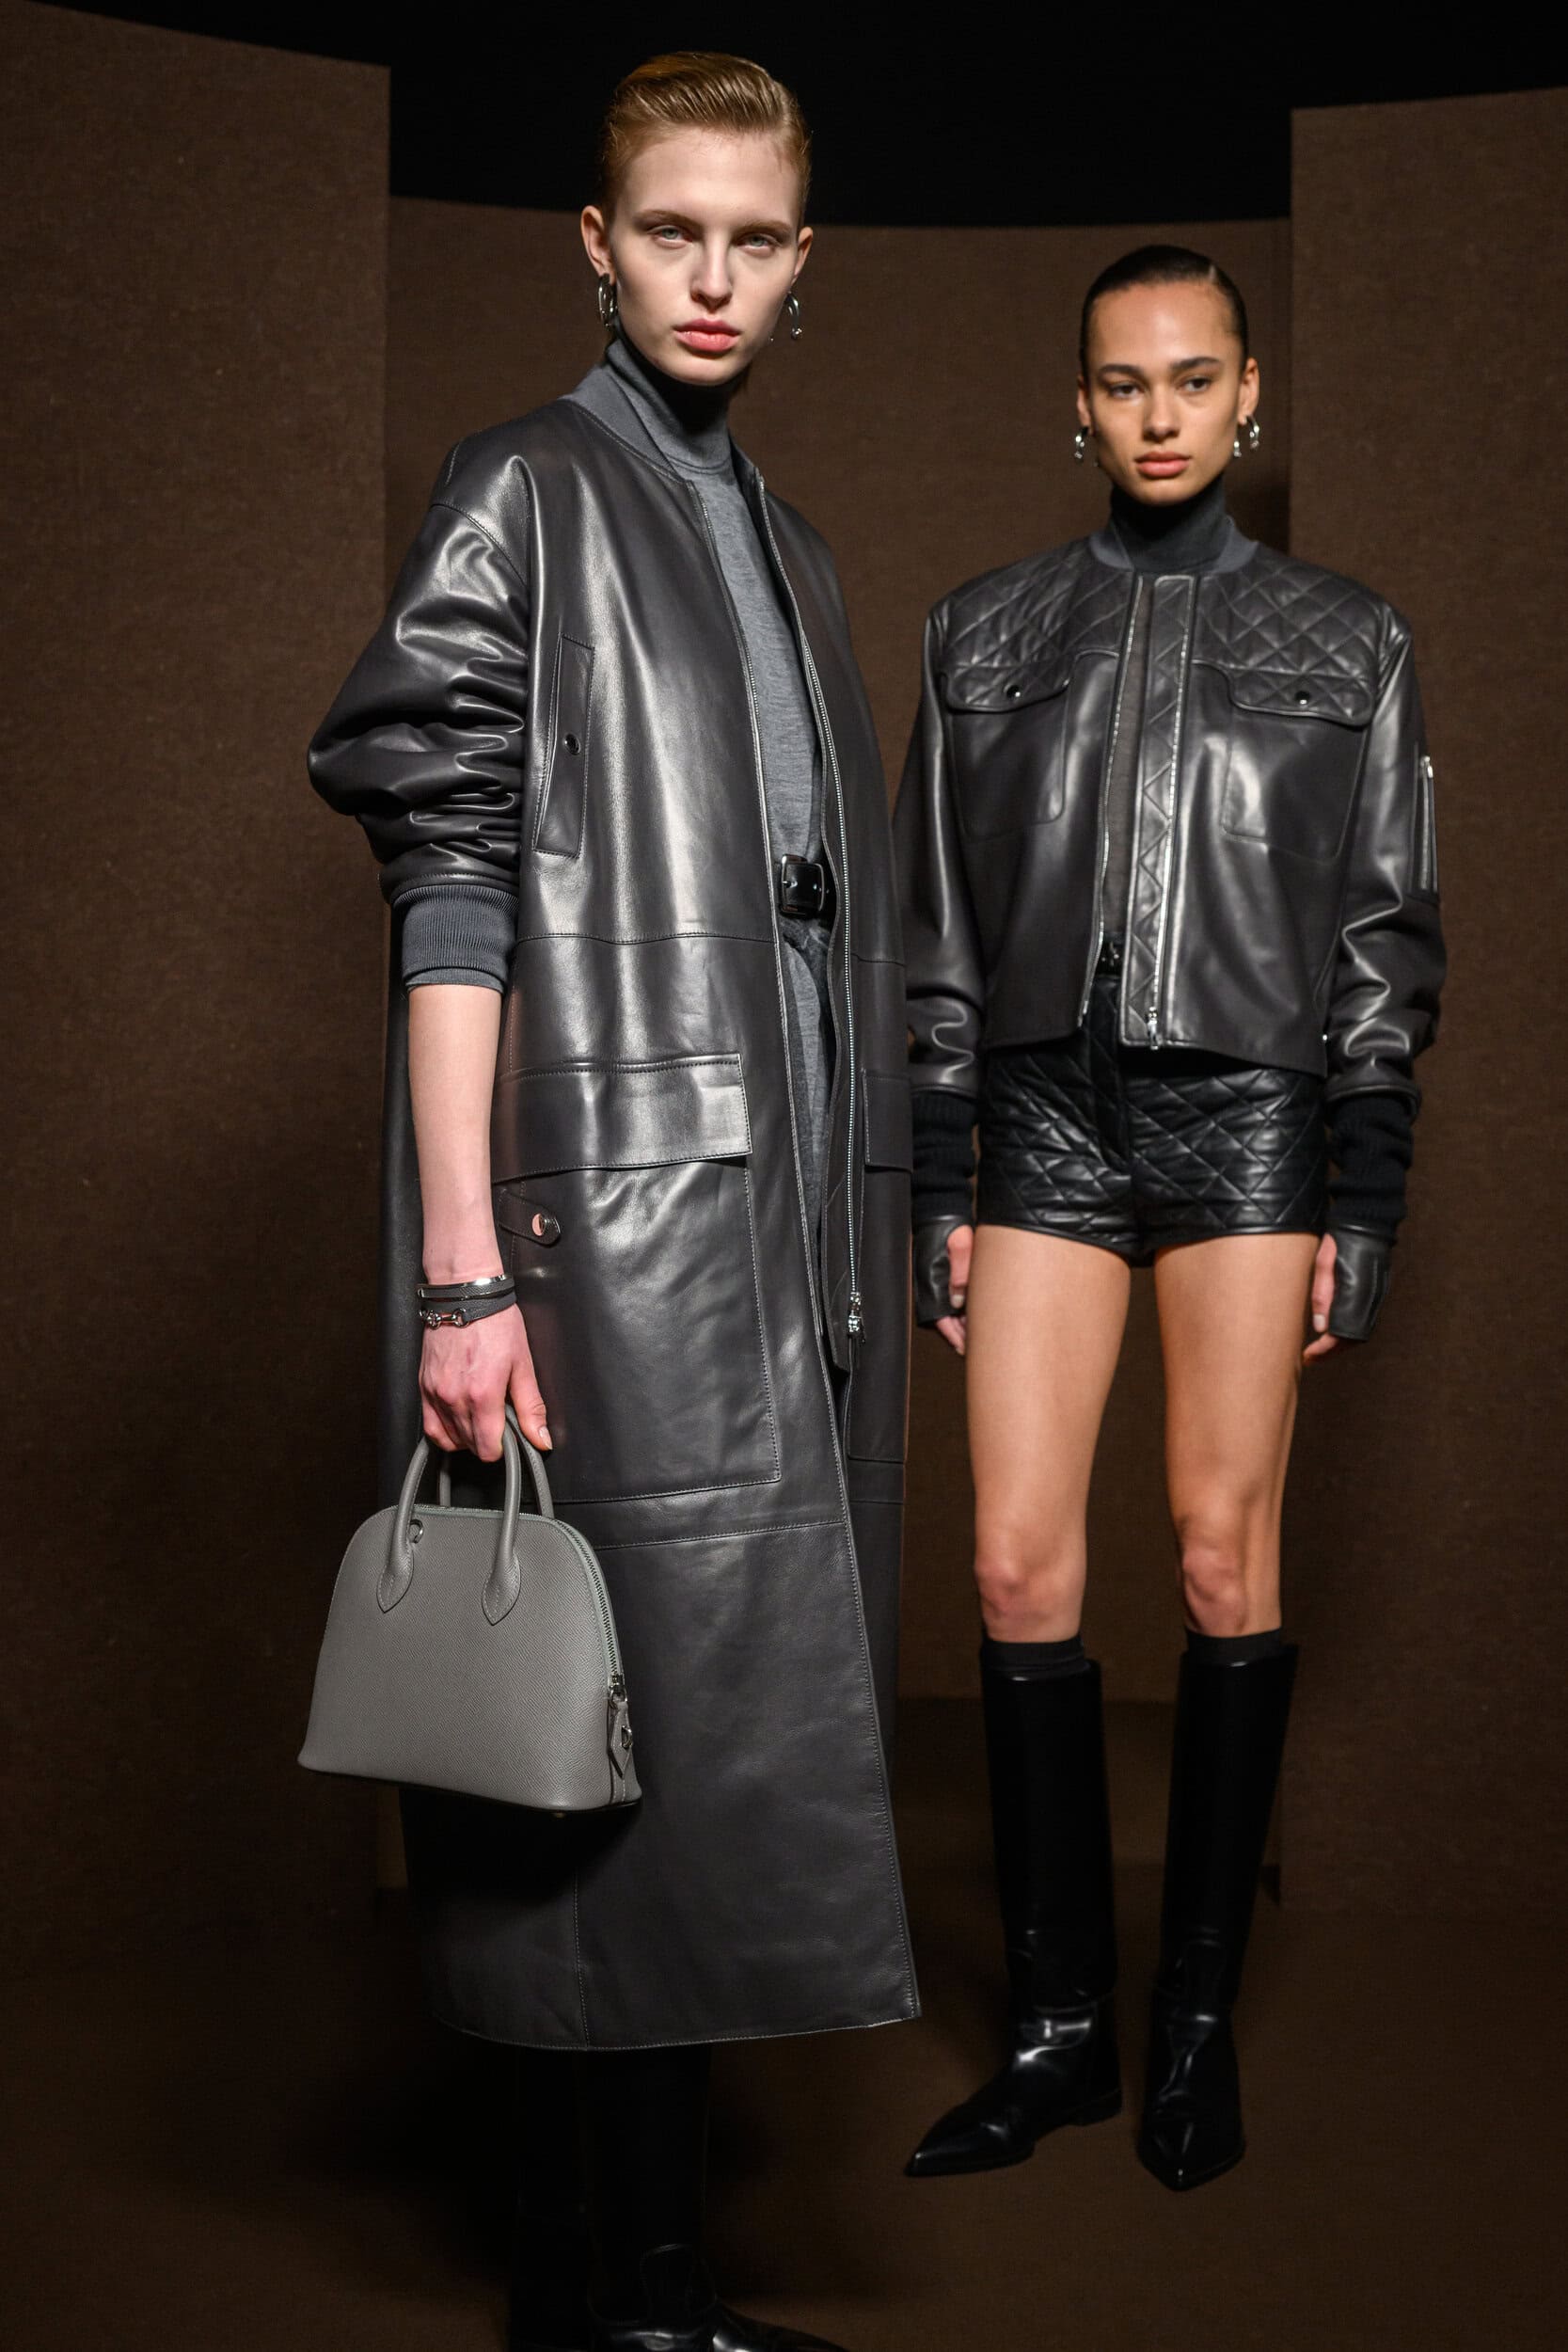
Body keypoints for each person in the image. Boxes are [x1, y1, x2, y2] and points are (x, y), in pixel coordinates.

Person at [309, 53, 916, 2351]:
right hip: (607, 1236)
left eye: (754, 239)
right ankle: (616, 2296)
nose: (713, 278)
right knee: (606, 1738)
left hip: (788, 1233)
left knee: (691, 1745)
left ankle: (622, 2283)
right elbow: (450, 889)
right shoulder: (524, 489)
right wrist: (463, 1268)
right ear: (597, 242)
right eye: (674, 231)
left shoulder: (788, 542)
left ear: (803, 259)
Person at [894, 245, 1445, 2193]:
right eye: (1124, 381)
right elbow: (934, 931)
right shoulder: (981, 631)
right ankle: (1059, 2032)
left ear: (1246, 392)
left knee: (1221, 1558)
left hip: (1249, 1117)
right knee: (1014, 1562)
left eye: (1192, 378)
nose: (1158, 413)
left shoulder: (1352, 640)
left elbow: (1384, 935)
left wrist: (1363, 1189)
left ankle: (1192, 2029)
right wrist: (938, 1165)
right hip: (1043, 1112)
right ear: (1081, 402)